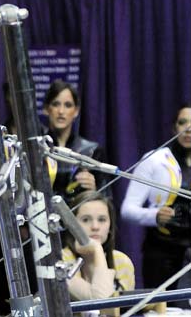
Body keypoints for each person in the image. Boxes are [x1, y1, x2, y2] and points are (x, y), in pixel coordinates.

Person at [121, 103, 191, 290]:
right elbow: (127, 210)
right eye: (183, 122)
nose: (188, 129)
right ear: (174, 127)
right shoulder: (155, 160)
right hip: (162, 254)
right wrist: (155, 215)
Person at [63, 191, 135, 309]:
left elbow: (118, 311)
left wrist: (97, 252)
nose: (95, 227)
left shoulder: (122, 261)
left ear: (110, 226)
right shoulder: (61, 260)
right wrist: (97, 249)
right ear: (72, 225)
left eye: (102, 220)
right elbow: (102, 302)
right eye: (86, 220)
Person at [43, 80, 109, 202]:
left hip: (77, 217)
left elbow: (106, 201)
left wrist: (94, 191)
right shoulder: (36, 149)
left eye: (68, 105)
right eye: (56, 104)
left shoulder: (92, 151)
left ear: (76, 111)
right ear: (46, 109)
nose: (61, 111)